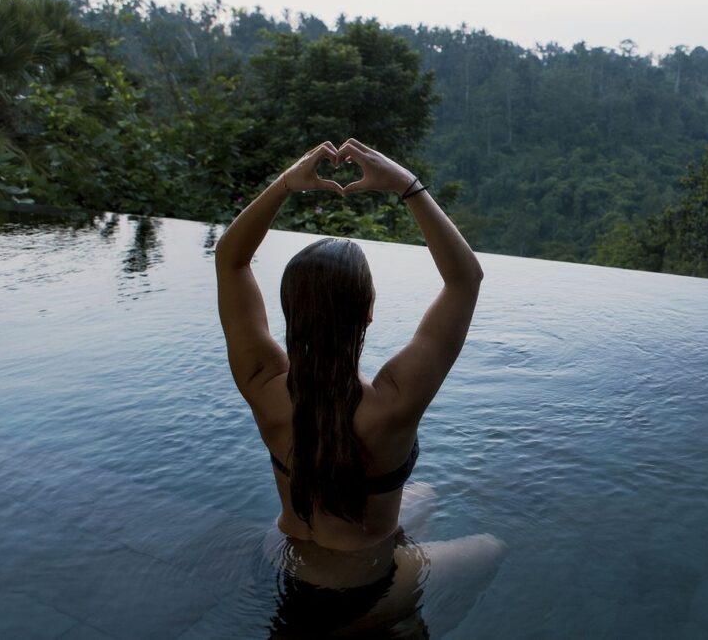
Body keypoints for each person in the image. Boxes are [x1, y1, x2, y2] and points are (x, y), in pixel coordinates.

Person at [215, 139, 505, 637]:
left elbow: (230, 260)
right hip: (362, 586)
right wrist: (407, 186)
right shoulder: (393, 401)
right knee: (492, 548)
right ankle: (386, 620)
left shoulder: (262, 382)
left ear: (288, 313)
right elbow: (465, 280)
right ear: (368, 313)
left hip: (282, 557)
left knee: (426, 495)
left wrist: (286, 184)